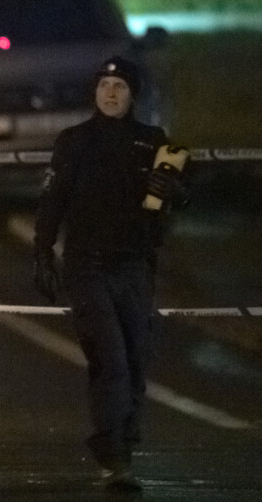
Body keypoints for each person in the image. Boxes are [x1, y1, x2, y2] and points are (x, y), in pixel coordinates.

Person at [32, 56, 188, 491]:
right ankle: (111, 451)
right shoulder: (74, 141)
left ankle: (124, 448)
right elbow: (53, 200)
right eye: (104, 85)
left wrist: (173, 189)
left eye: (120, 86)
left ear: (133, 94)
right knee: (111, 361)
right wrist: (42, 252)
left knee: (135, 362)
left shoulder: (153, 142)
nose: (111, 93)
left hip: (134, 265)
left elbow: (183, 194)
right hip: (87, 266)